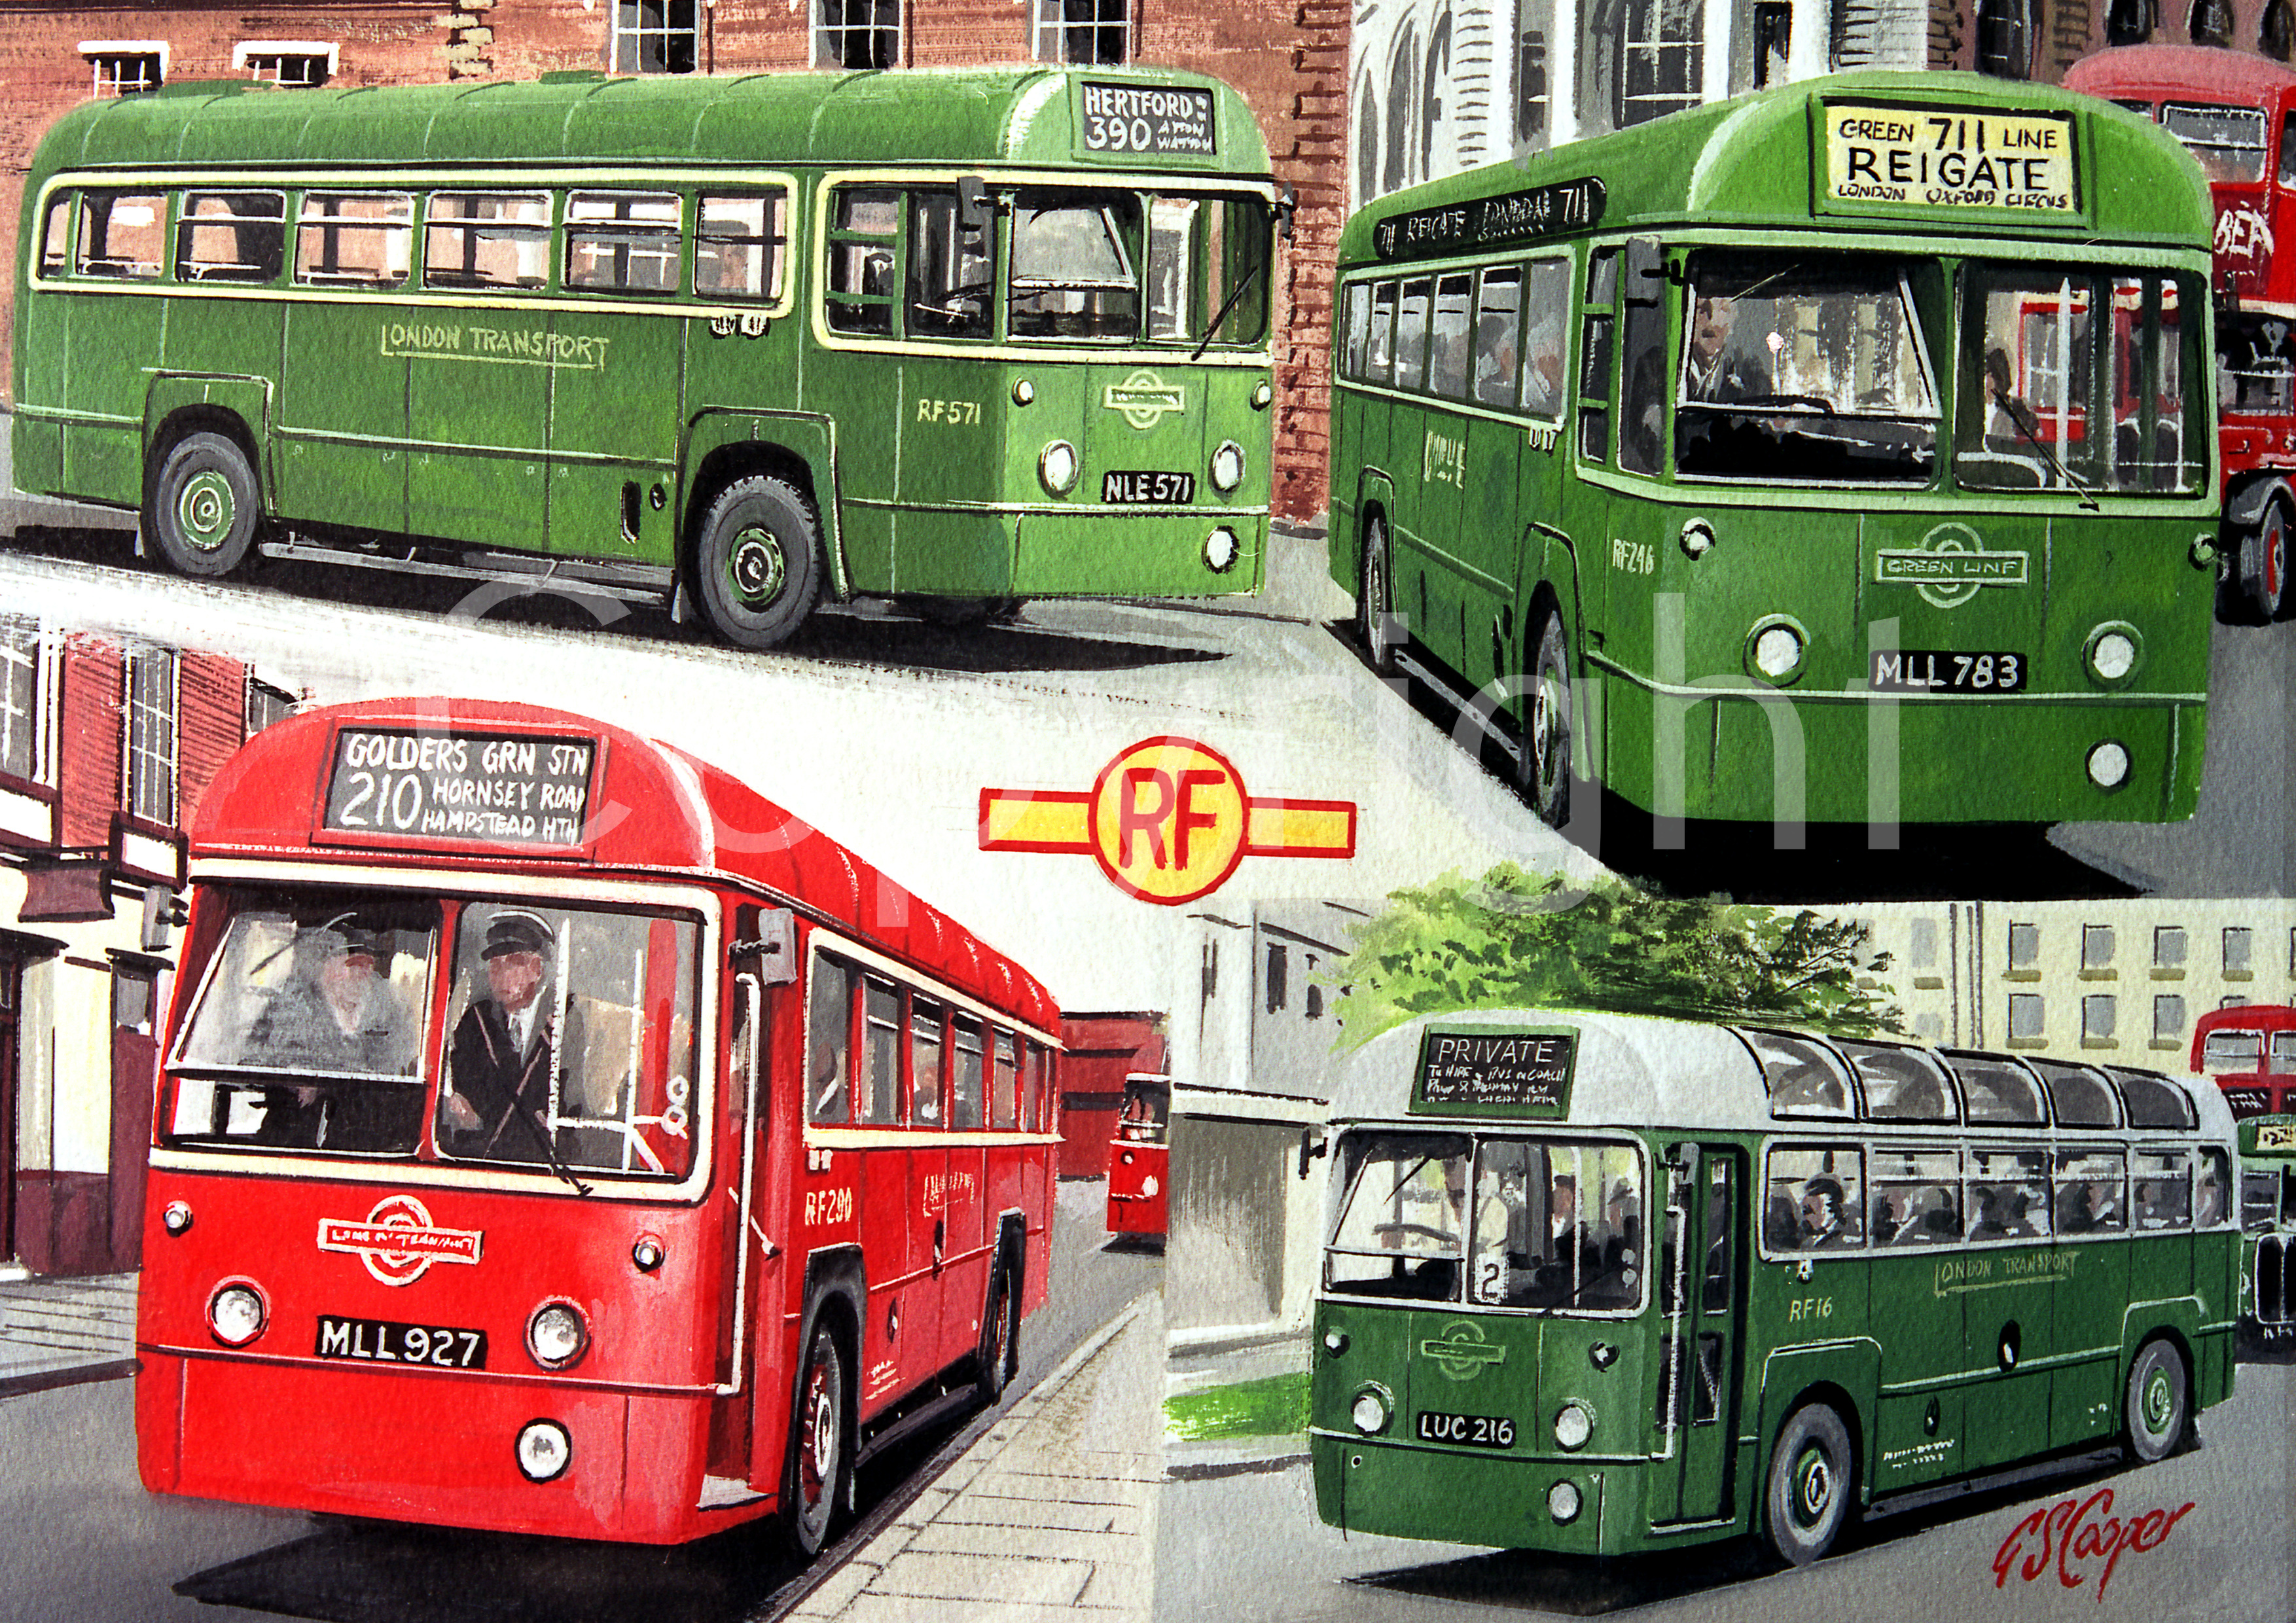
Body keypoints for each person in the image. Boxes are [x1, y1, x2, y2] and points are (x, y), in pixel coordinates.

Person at [245, 914, 416, 1147]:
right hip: (293, 1135)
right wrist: (295, 1080)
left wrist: (325, 1080)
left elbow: (395, 1064)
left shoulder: (390, 1009)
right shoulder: (291, 1002)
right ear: (328, 965)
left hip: (365, 1139)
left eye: (369, 963)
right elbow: (254, 1055)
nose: (364, 972)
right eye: (353, 963)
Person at [439, 910, 564, 1162]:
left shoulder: (565, 1019)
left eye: (513, 963)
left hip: (546, 1162)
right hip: (482, 1156)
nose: (501, 973)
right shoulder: (475, 1021)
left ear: (537, 970)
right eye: (495, 964)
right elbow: (463, 1087)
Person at [1682, 294, 1770, 404]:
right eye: (1702, 310)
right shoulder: (1681, 359)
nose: (1711, 319)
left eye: (1724, 310)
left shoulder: (1739, 374)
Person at [1799, 1176, 1854, 1249]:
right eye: (1806, 1211)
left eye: (1810, 1211)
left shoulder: (1844, 1239)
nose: (1806, 1217)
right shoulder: (1808, 1240)